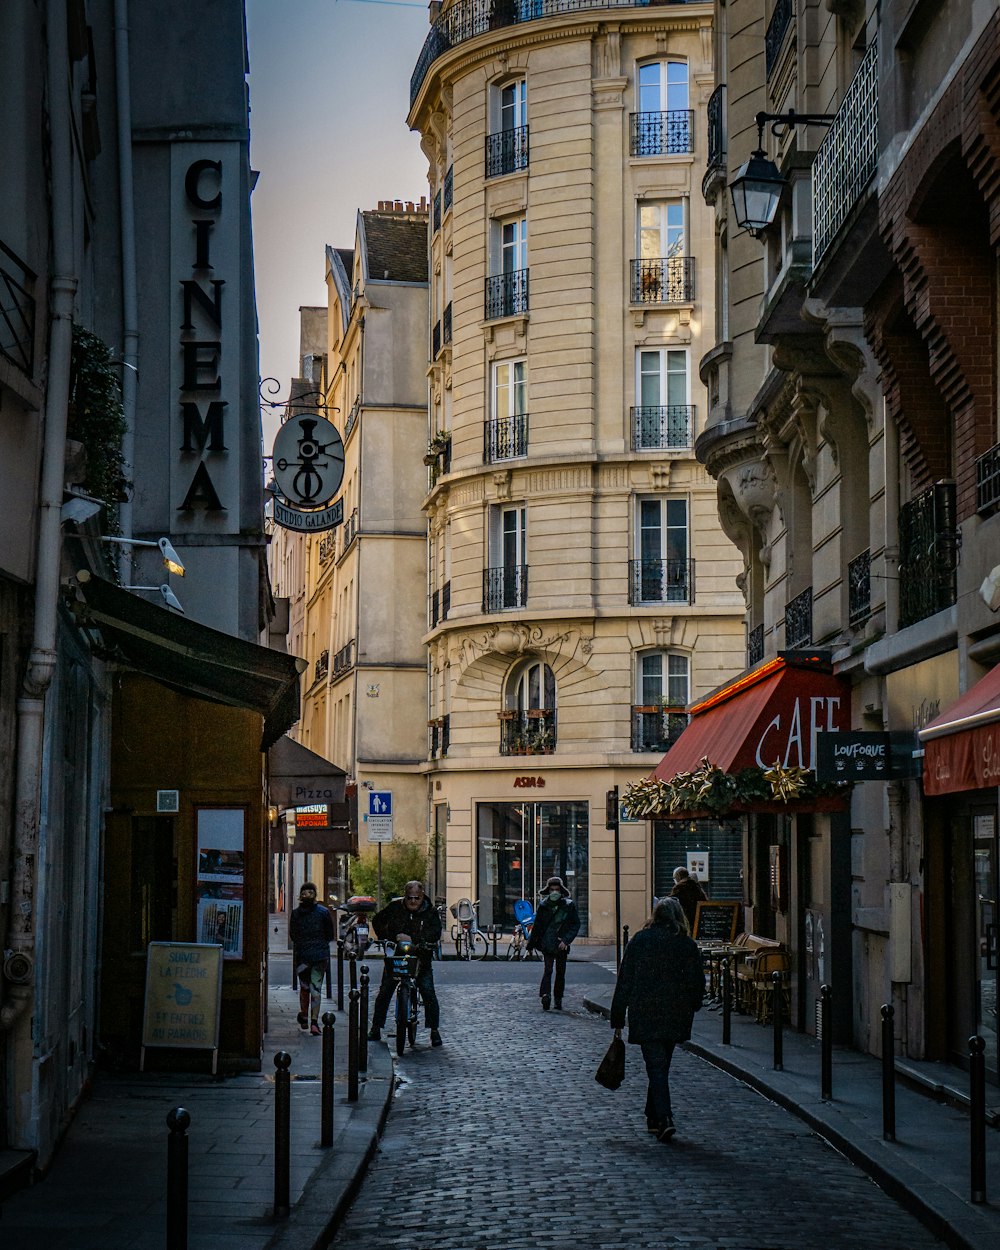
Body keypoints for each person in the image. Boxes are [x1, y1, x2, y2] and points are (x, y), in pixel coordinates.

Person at [609, 896, 705, 1142]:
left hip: (646, 1012)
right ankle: (655, 1116)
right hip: (675, 1013)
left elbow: (625, 979)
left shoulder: (640, 940)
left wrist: (618, 1015)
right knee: (661, 1066)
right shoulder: (685, 944)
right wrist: (694, 1004)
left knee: (657, 1067)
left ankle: (662, 1117)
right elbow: (696, 981)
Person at [368, 881, 444, 1046]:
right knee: (385, 991)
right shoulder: (395, 908)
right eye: (409, 898)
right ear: (405, 896)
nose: (413, 902)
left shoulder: (430, 912)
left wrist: (417, 940)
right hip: (396, 956)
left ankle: (434, 1031)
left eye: (416, 898)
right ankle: (375, 1028)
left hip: (421, 958)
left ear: (422, 896)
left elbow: (436, 932)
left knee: (428, 991)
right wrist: (389, 936)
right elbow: (377, 920)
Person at [526, 875, 581, 1010]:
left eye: (557, 889)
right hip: (547, 943)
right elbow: (537, 927)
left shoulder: (568, 906)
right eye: (552, 890)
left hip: (561, 943)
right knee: (548, 970)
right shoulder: (544, 906)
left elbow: (575, 924)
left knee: (560, 972)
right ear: (548, 890)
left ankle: (558, 998)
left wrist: (566, 940)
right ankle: (546, 995)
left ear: (561, 891)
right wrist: (530, 945)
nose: (554, 892)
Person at [289, 882, 335, 1036]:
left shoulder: (295, 913)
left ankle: (304, 1016)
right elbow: (330, 935)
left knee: (304, 987)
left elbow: (293, 935)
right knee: (316, 988)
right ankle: (314, 1022)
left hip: (302, 957)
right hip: (320, 956)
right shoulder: (323, 912)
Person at [670, 865, 708, 934]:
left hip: (684, 920)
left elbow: (671, 903)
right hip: (698, 920)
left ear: (678, 877)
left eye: (674, 878)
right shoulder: (696, 886)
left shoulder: (678, 888)